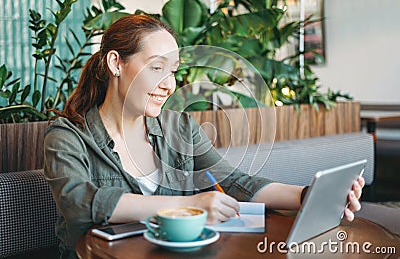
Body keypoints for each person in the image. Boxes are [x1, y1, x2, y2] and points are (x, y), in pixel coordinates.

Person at [44, 14, 365, 258]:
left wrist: (307, 196)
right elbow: (79, 203)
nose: (170, 85)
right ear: (116, 63)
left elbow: (237, 182)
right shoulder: (67, 136)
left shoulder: (180, 128)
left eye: (173, 71)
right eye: (157, 68)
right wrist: (189, 205)